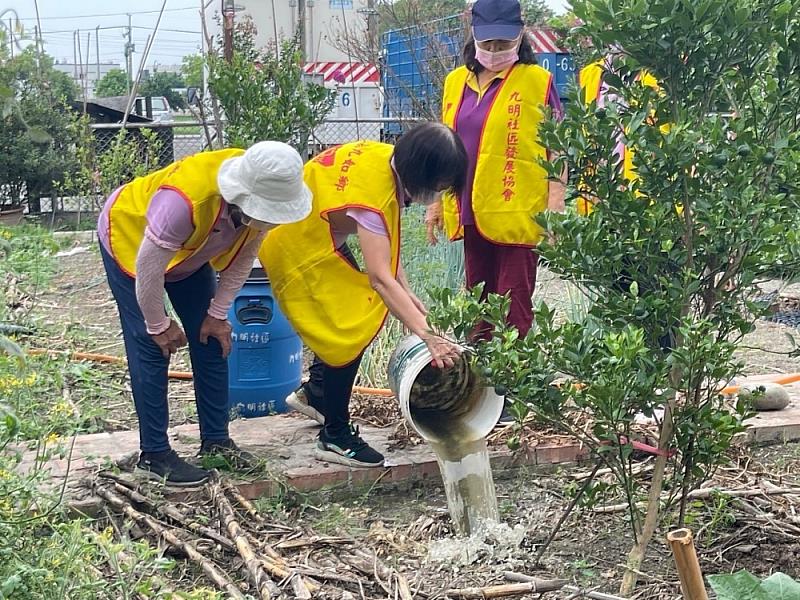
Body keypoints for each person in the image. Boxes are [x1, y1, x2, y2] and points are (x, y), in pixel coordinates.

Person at [98, 142, 312, 486]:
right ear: (244, 197)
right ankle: (154, 455)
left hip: (188, 252)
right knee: (152, 346)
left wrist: (217, 313)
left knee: (212, 337)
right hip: (130, 239)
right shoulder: (183, 203)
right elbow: (149, 267)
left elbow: (243, 258)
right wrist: (158, 324)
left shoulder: (261, 191)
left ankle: (216, 442)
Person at [261, 123, 468, 468]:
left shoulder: (384, 159)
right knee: (351, 325)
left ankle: (318, 392)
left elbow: (387, 251)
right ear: (421, 174)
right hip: (298, 249)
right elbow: (379, 279)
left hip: (308, 233)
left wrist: (409, 294)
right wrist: (428, 335)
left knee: (351, 316)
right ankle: (335, 436)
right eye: (439, 186)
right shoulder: (373, 199)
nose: (438, 194)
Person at [425, 0, 567, 339]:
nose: (495, 50)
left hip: (519, 214)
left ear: (520, 37)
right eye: (488, 43)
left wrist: (555, 210)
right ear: (474, 36)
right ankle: (481, 386)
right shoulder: (455, 82)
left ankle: (508, 389)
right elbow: (446, 146)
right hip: (472, 211)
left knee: (513, 310)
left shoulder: (537, 81)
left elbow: (558, 149)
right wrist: (435, 203)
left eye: (503, 44)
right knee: (479, 308)